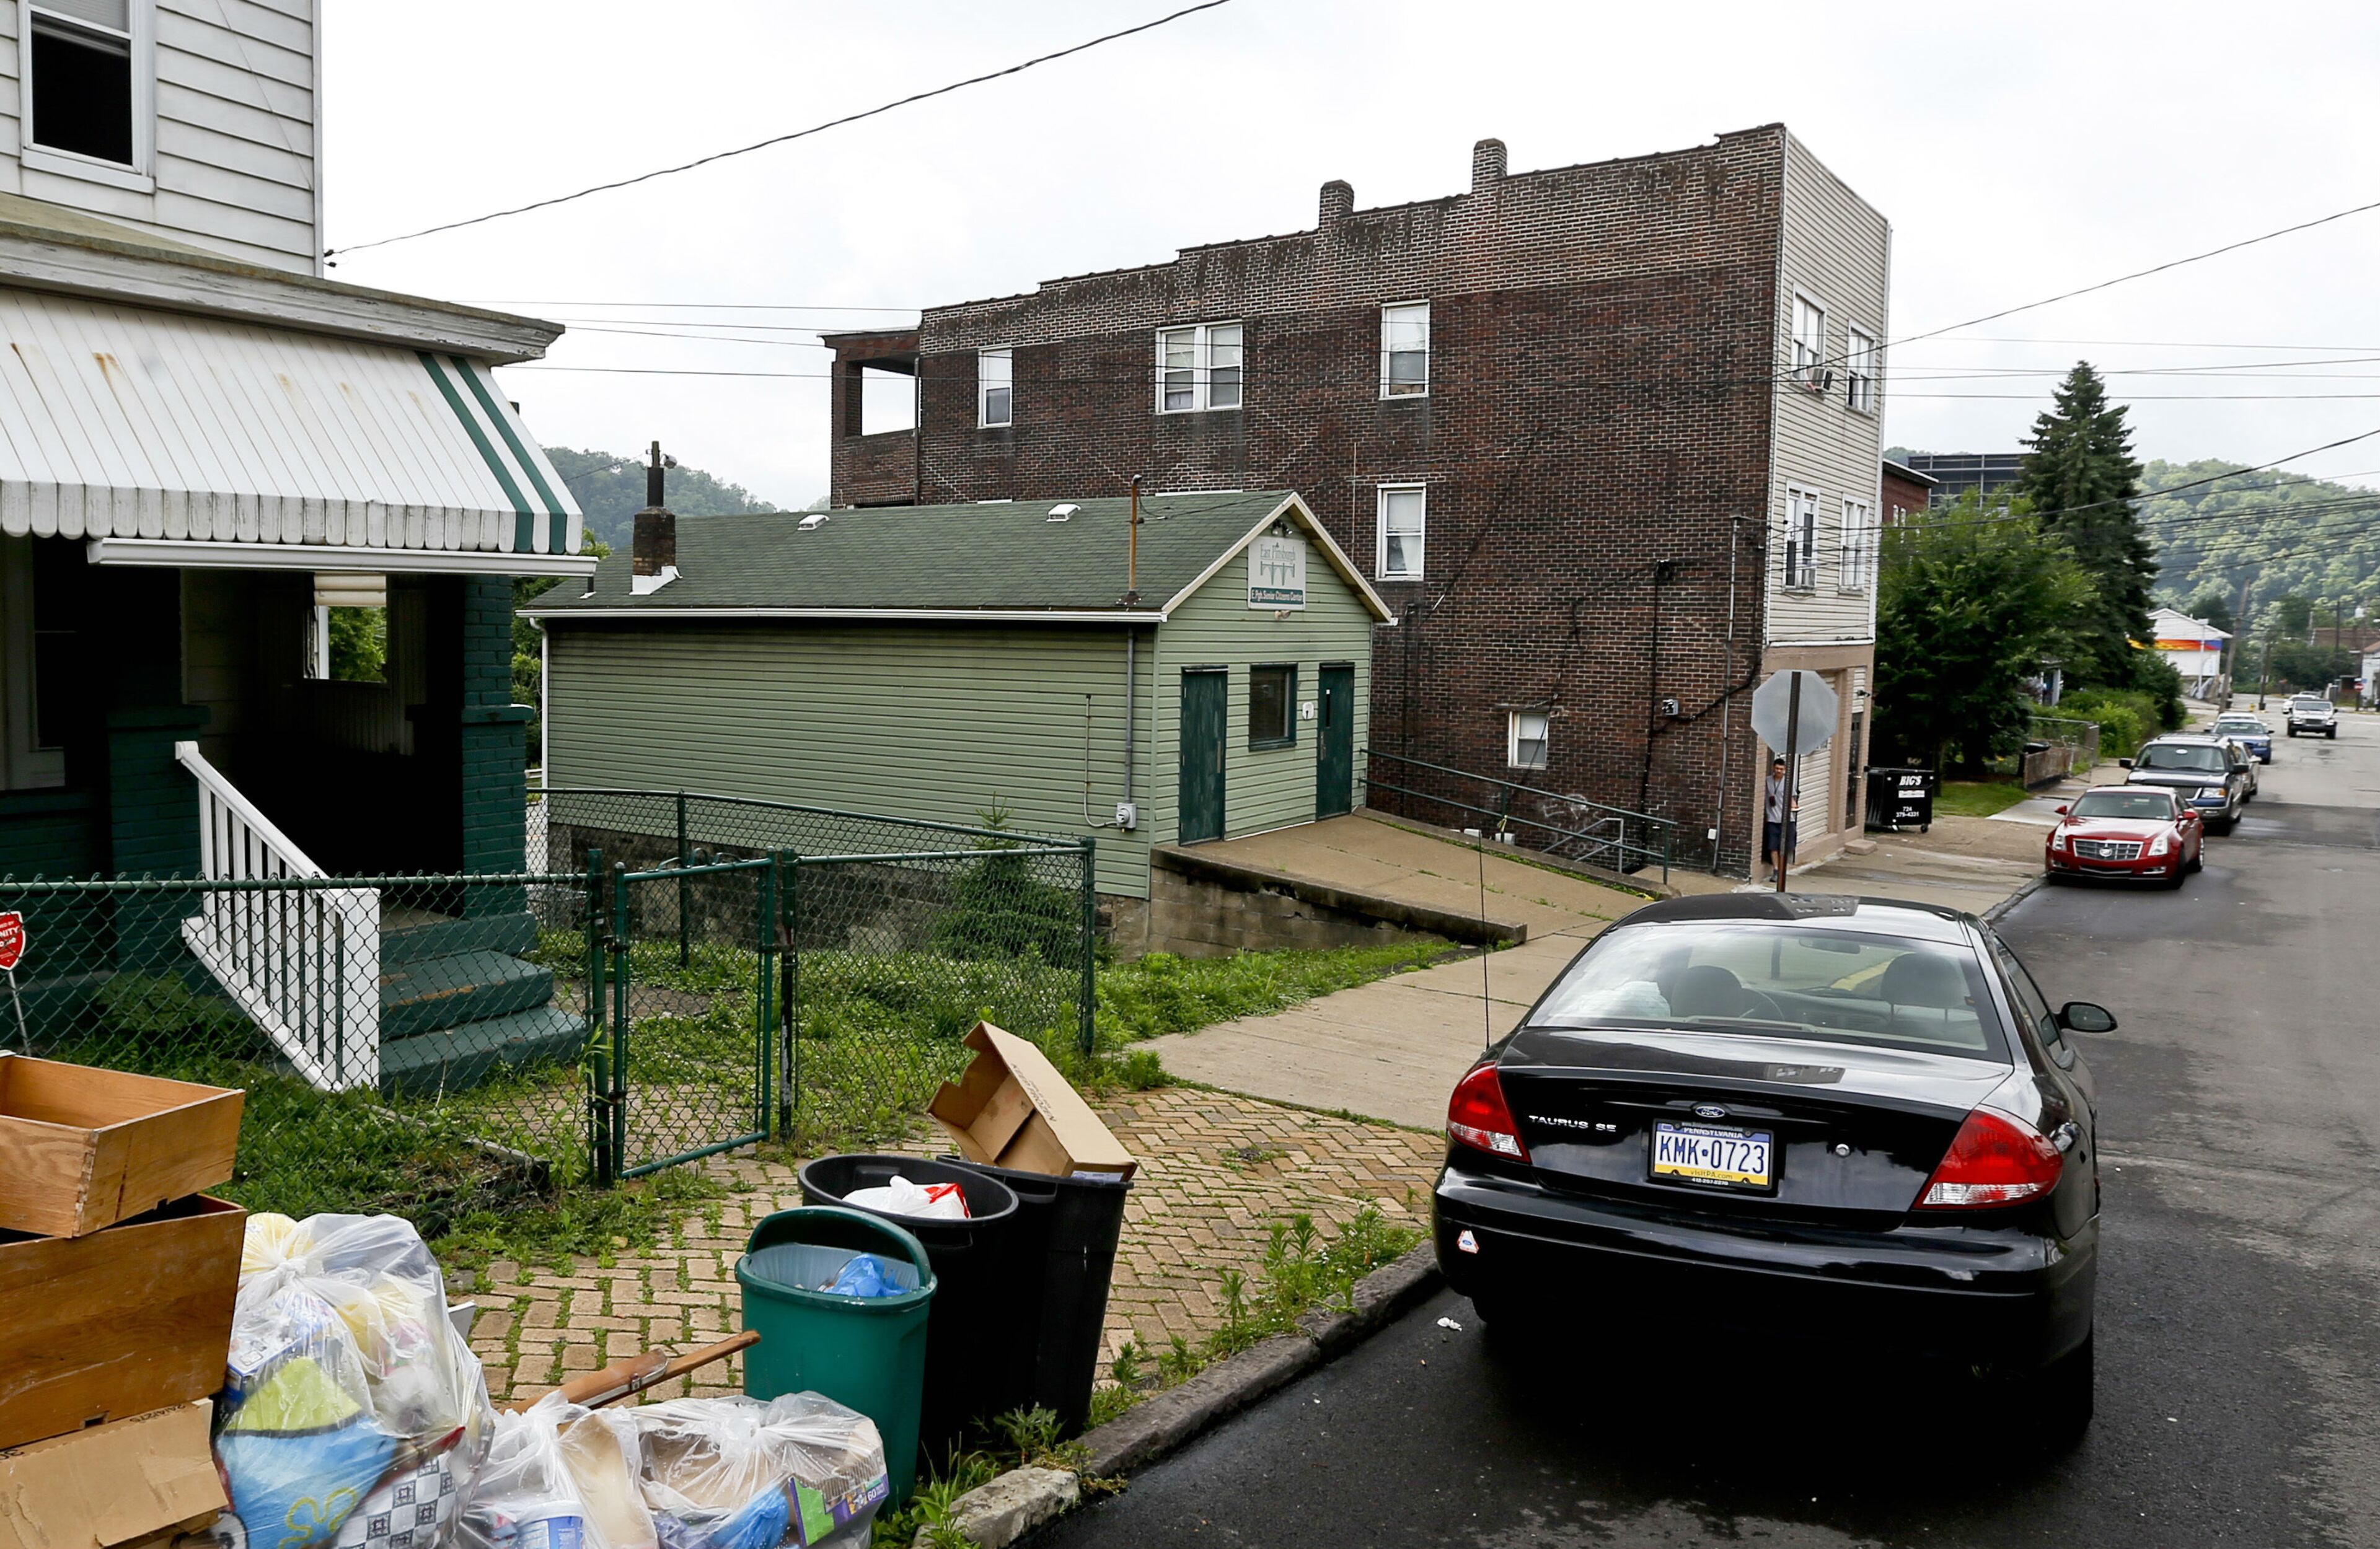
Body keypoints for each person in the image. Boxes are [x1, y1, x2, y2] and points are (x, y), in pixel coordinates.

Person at [1761, 757, 1799, 877]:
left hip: (1787, 820)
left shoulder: (1788, 783)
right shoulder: (1767, 781)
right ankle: (1776, 870)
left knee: (1786, 847)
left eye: (1781, 769)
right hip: (1772, 819)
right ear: (1773, 768)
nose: (1779, 771)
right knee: (1773, 846)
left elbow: (1793, 799)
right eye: (1777, 768)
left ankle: (1782, 870)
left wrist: (1795, 806)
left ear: (1785, 770)